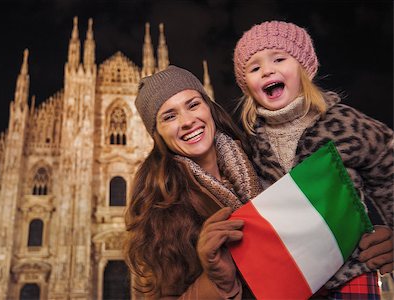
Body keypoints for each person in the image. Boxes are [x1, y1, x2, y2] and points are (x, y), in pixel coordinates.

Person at [233, 20, 393, 298]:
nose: (267, 69)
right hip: (292, 280)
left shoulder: (342, 121)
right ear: (247, 86)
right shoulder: (251, 145)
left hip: (350, 271)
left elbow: (389, 166)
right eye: (254, 67)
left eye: (279, 58)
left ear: (304, 69)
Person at [125, 65, 261, 299]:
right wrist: (217, 281)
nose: (187, 121)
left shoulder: (261, 158)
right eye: (169, 116)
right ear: (157, 133)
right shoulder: (157, 209)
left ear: (209, 107)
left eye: (193, 104)